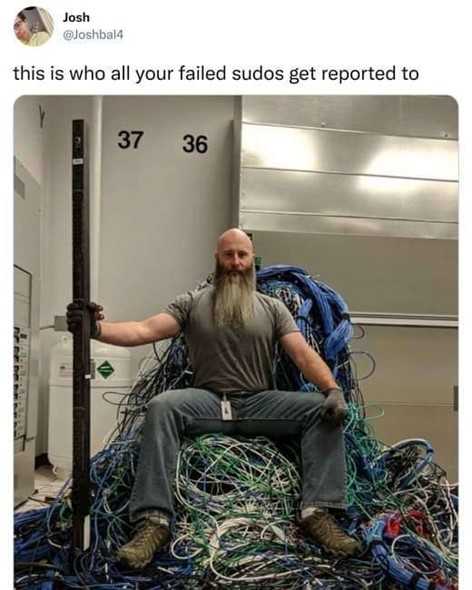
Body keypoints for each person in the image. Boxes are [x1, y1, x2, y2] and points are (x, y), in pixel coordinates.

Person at [67, 228, 361, 569]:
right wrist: (96, 329)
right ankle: (153, 522)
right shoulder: (192, 303)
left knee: (320, 411)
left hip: (258, 404)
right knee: (163, 406)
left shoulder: (273, 308)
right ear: (217, 260)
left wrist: (332, 389)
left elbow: (302, 355)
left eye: (242, 255)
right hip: (205, 402)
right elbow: (144, 330)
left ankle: (318, 512)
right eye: (229, 255)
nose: (236, 262)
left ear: (252, 261)